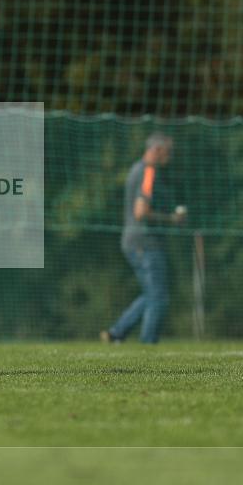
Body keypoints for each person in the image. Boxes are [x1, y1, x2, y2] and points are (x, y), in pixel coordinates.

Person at [101, 132, 186, 344]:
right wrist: (172, 219)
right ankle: (148, 344)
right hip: (145, 243)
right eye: (168, 152)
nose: (170, 156)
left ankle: (117, 332)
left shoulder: (135, 169)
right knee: (158, 296)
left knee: (151, 294)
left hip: (134, 242)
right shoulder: (148, 172)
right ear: (156, 150)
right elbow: (141, 211)